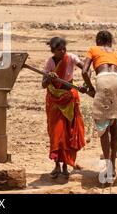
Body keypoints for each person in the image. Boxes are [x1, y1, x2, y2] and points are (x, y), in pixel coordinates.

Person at [82, 30, 117, 180]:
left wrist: (91, 88)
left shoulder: (93, 50)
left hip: (102, 80)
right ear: (111, 42)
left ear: (98, 41)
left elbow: (85, 71)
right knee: (114, 126)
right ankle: (114, 168)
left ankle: (108, 168)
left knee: (103, 129)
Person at [42, 37, 86, 179]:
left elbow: (86, 69)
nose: (62, 52)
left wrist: (85, 84)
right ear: (53, 51)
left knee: (68, 133)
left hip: (69, 99)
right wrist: (49, 77)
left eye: (64, 49)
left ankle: (66, 166)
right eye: (59, 50)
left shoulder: (72, 58)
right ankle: (56, 166)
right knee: (56, 133)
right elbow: (43, 84)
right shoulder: (50, 62)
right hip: (54, 102)